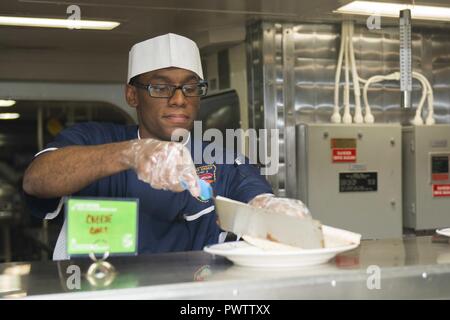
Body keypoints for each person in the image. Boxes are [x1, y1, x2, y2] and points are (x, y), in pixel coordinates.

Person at [22, 33, 310, 260]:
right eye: (160, 87)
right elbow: (37, 180)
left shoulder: (222, 159)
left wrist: (271, 211)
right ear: (132, 95)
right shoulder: (94, 139)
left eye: (190, 87)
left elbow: (257, 198)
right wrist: (131, 153)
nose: (179, 99)